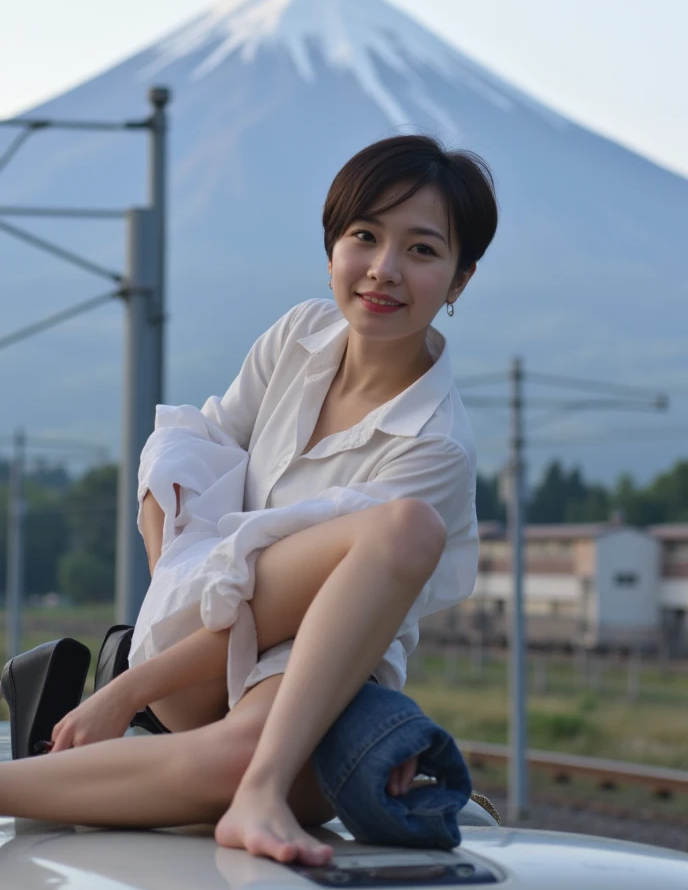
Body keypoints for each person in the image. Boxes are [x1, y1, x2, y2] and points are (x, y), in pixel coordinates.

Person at [0, 135, 498, 866]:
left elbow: (281, 611)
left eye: (423, 251)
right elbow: (191, 451)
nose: (384, 270)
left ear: (459, 280)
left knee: (403, 530)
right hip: (191, 652)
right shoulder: (298, 336)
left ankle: (247, 790)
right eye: (364, 237)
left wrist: (122, 692)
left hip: (306, 666)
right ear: (332, 247)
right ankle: (228, 776)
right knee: (227, 478)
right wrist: (177, 573)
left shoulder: (435, 445)